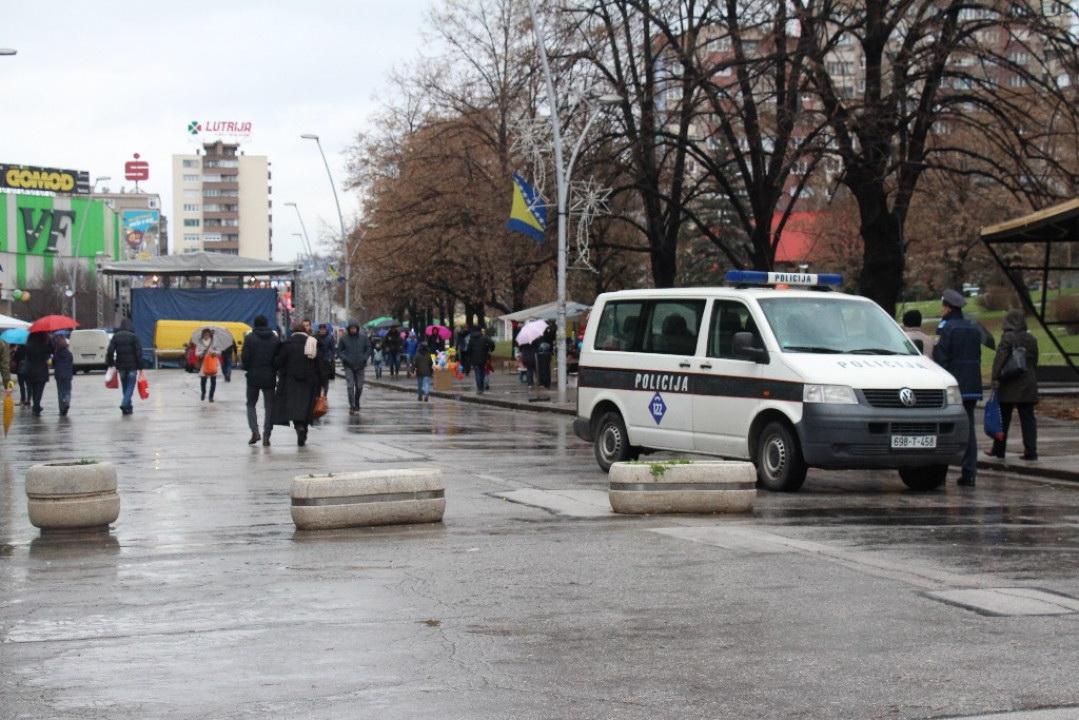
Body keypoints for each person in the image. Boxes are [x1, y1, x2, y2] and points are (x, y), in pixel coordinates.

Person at [932, 289, 983, 486]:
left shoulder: (946, 327)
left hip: (954, 384)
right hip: (973, 384)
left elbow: (940, 357)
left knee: (945, 427)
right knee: (970, 428)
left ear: (947, 307)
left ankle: (940, 472)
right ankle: (969, 471)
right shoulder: (972, 326)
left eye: (942, 306)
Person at [988, 309, 1039, 461]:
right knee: (1028, 419)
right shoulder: (1031, 338)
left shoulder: (1007, 338)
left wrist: (995, 378)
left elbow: (1000, 360)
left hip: (1009, 384)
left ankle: (999, 449)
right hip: (1028, 383)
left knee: (1003, 418)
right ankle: (1031, 451)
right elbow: (1034, 360)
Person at [272, 320, 319, 447]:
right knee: (306, 407)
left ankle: (298, 427)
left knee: (294, 407)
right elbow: (318, 363)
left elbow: (279, 362)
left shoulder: (287, 344)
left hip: (290, 381)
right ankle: (304, 428)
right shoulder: (312, 343)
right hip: (309, 381)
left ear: (292, 331)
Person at [241, 315, 280, 446]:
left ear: (255, 324)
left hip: (253, 376)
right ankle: (266, 435)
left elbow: (245, 358)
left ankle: (254, 431)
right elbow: (278, 359)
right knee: (269, 406)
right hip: (269, 376)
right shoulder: (275, 339)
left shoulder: (249, 338)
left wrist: (247, 368)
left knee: (251, 404)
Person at [106, 319, 143, 415]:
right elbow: (139, 353)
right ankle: (124, 403)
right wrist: (141, 367)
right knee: (130, 387)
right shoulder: (134, 337)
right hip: (132, 366)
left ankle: (128, 408)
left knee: (125, 387)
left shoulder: (116, 337)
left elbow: (110, 351)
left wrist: (110, 363)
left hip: (121, 366)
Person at [337, 320, 372, 415]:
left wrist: (364, 358)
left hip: (360, 366)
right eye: (351, 328)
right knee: (350, 386)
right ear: (349, 329)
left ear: (357, 328)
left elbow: (369, 348)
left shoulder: (363, 338)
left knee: (359, 386)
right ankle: (352, 406)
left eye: (354, 328)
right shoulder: (344, 338)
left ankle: (357, 402)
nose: (353, 330)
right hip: (349, 366)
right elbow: (339, 351)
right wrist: (344, 358)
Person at [23, 331, 54, 416]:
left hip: (30, 369)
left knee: (33, 389)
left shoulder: (29, 341)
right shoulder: (45, 340)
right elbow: (52, 350)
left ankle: (36, 406)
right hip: (41, 369)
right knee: (39, 390)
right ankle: (36, 406)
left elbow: (26, 354)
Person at [466, 326, 495, 394]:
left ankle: (479, 388)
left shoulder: (471, 339)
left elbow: (468, 350)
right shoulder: (484, 337)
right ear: (480, 331)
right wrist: (490, 349)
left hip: (474, 359)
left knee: (477, 374)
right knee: (482, 373)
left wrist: (469, 358)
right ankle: (481, 388)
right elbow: (492, 343)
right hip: (483, 358)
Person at [196, 328, 220, 402]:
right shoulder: (200, 343)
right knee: (203, 380)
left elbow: (219, 351)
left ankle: (211, 396)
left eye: (207, 334)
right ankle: (203, 392)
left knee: (213, 381)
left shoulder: (214, 342)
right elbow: (196, 353)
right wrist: (202, 352)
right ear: (202, 335)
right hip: (204, 364)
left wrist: (214, 352)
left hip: (213, 362)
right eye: (205, 334)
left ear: (210, 335)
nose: (206, 336)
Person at [52, 334, 74, 416]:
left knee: (60, 392)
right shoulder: (69, 353)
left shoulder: (56, 354)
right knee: (67, 390)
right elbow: (71, 362)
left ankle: (62, 410)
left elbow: (53, 364)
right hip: (67, 375)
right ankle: (67, 401)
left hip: (59, 375)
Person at [315, 323, 337, 398]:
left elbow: (333, 349)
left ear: (326, 329)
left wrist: (330, 358)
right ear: (319, 330)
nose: (322, 331)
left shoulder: (330, 338)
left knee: (325, 380)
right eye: (321, 330)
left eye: (323, 329)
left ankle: (324, 396)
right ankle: (318, 397)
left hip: (326, 362)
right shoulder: (316, 337)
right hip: (317, 361)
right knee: (318, 381)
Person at [537, 322, 555, 390]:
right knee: (546, 368)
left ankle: (543, 383)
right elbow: (552, 340)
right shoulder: (549, 333)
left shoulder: (541, 335)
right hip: (548, 354)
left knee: (542, 369)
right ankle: (547, 383)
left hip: (541, 354)